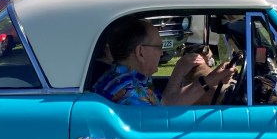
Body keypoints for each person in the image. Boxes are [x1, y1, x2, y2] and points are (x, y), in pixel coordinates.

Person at [92, 18, 235, 106]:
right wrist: (208, 80)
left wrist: (210, 79)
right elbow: (164, 116)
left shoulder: (128, 79)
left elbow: (167, 104)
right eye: (158, 47)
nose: (161, 53)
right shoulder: (129, 91)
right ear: (140, 52)